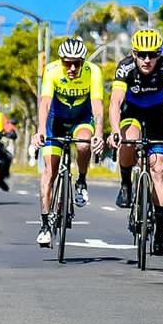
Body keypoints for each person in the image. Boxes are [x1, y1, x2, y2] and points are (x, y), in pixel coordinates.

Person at [106, 28, 163, 256]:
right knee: (128, 138)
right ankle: (126, 183)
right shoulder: (125, 66)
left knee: (158, 169)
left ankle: (159, 232)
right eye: (141, 55)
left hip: (158, 115)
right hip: (133, 111)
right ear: (134, 53)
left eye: (152, 54)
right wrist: (113, 130)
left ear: (159, 54)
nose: (147, 60)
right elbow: (115, 103)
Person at [34, 38, 105, 246]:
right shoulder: (52, 70)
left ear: (83, 61)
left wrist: (98, 134)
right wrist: (40, 130)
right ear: (61, 61)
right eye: (67, 63)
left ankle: (81, 180)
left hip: (82, 119)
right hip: (55, 122)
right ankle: (45, 223)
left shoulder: (94, 72)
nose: (72, 68)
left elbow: (98, 105)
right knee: (50, 171)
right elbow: (45, 103)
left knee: (84, 144)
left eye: (77, 63)